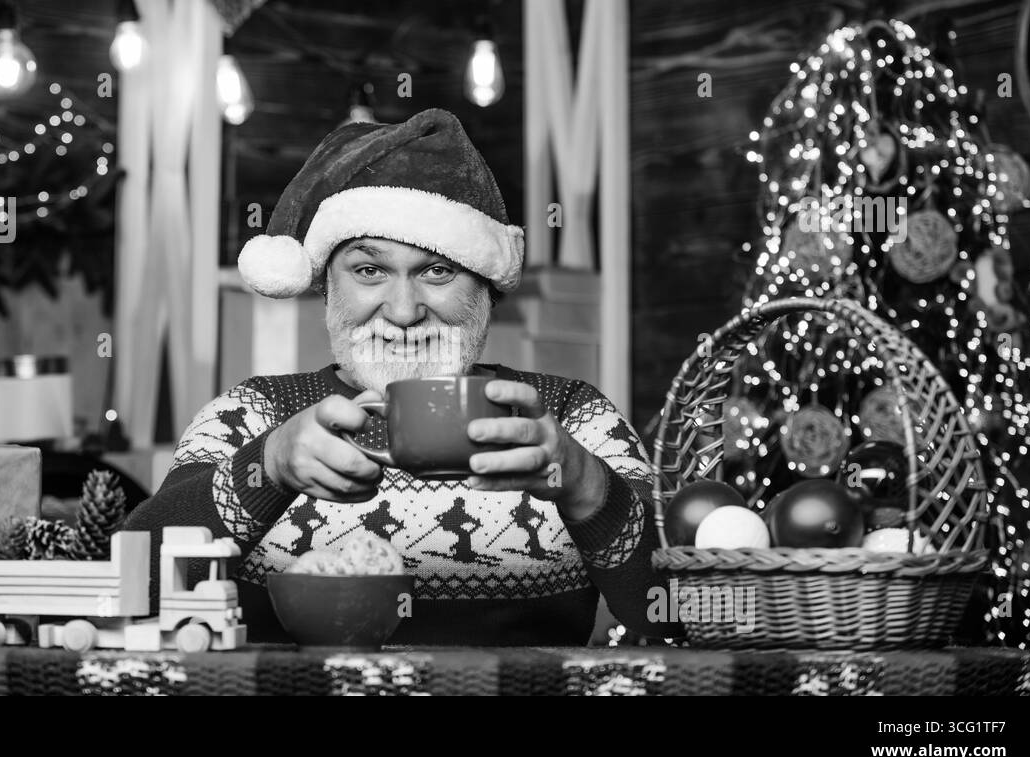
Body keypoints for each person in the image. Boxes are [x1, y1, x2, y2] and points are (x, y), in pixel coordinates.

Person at [124, 108, 673, 645]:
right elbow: (136, 591)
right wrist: (264, 469)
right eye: (370, 270)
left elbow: (678, 618)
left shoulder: (572, 416)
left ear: (485, 289)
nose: (405, 311)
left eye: (438, 271)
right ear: (327, 286)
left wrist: (586, 487)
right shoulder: (251, 414)